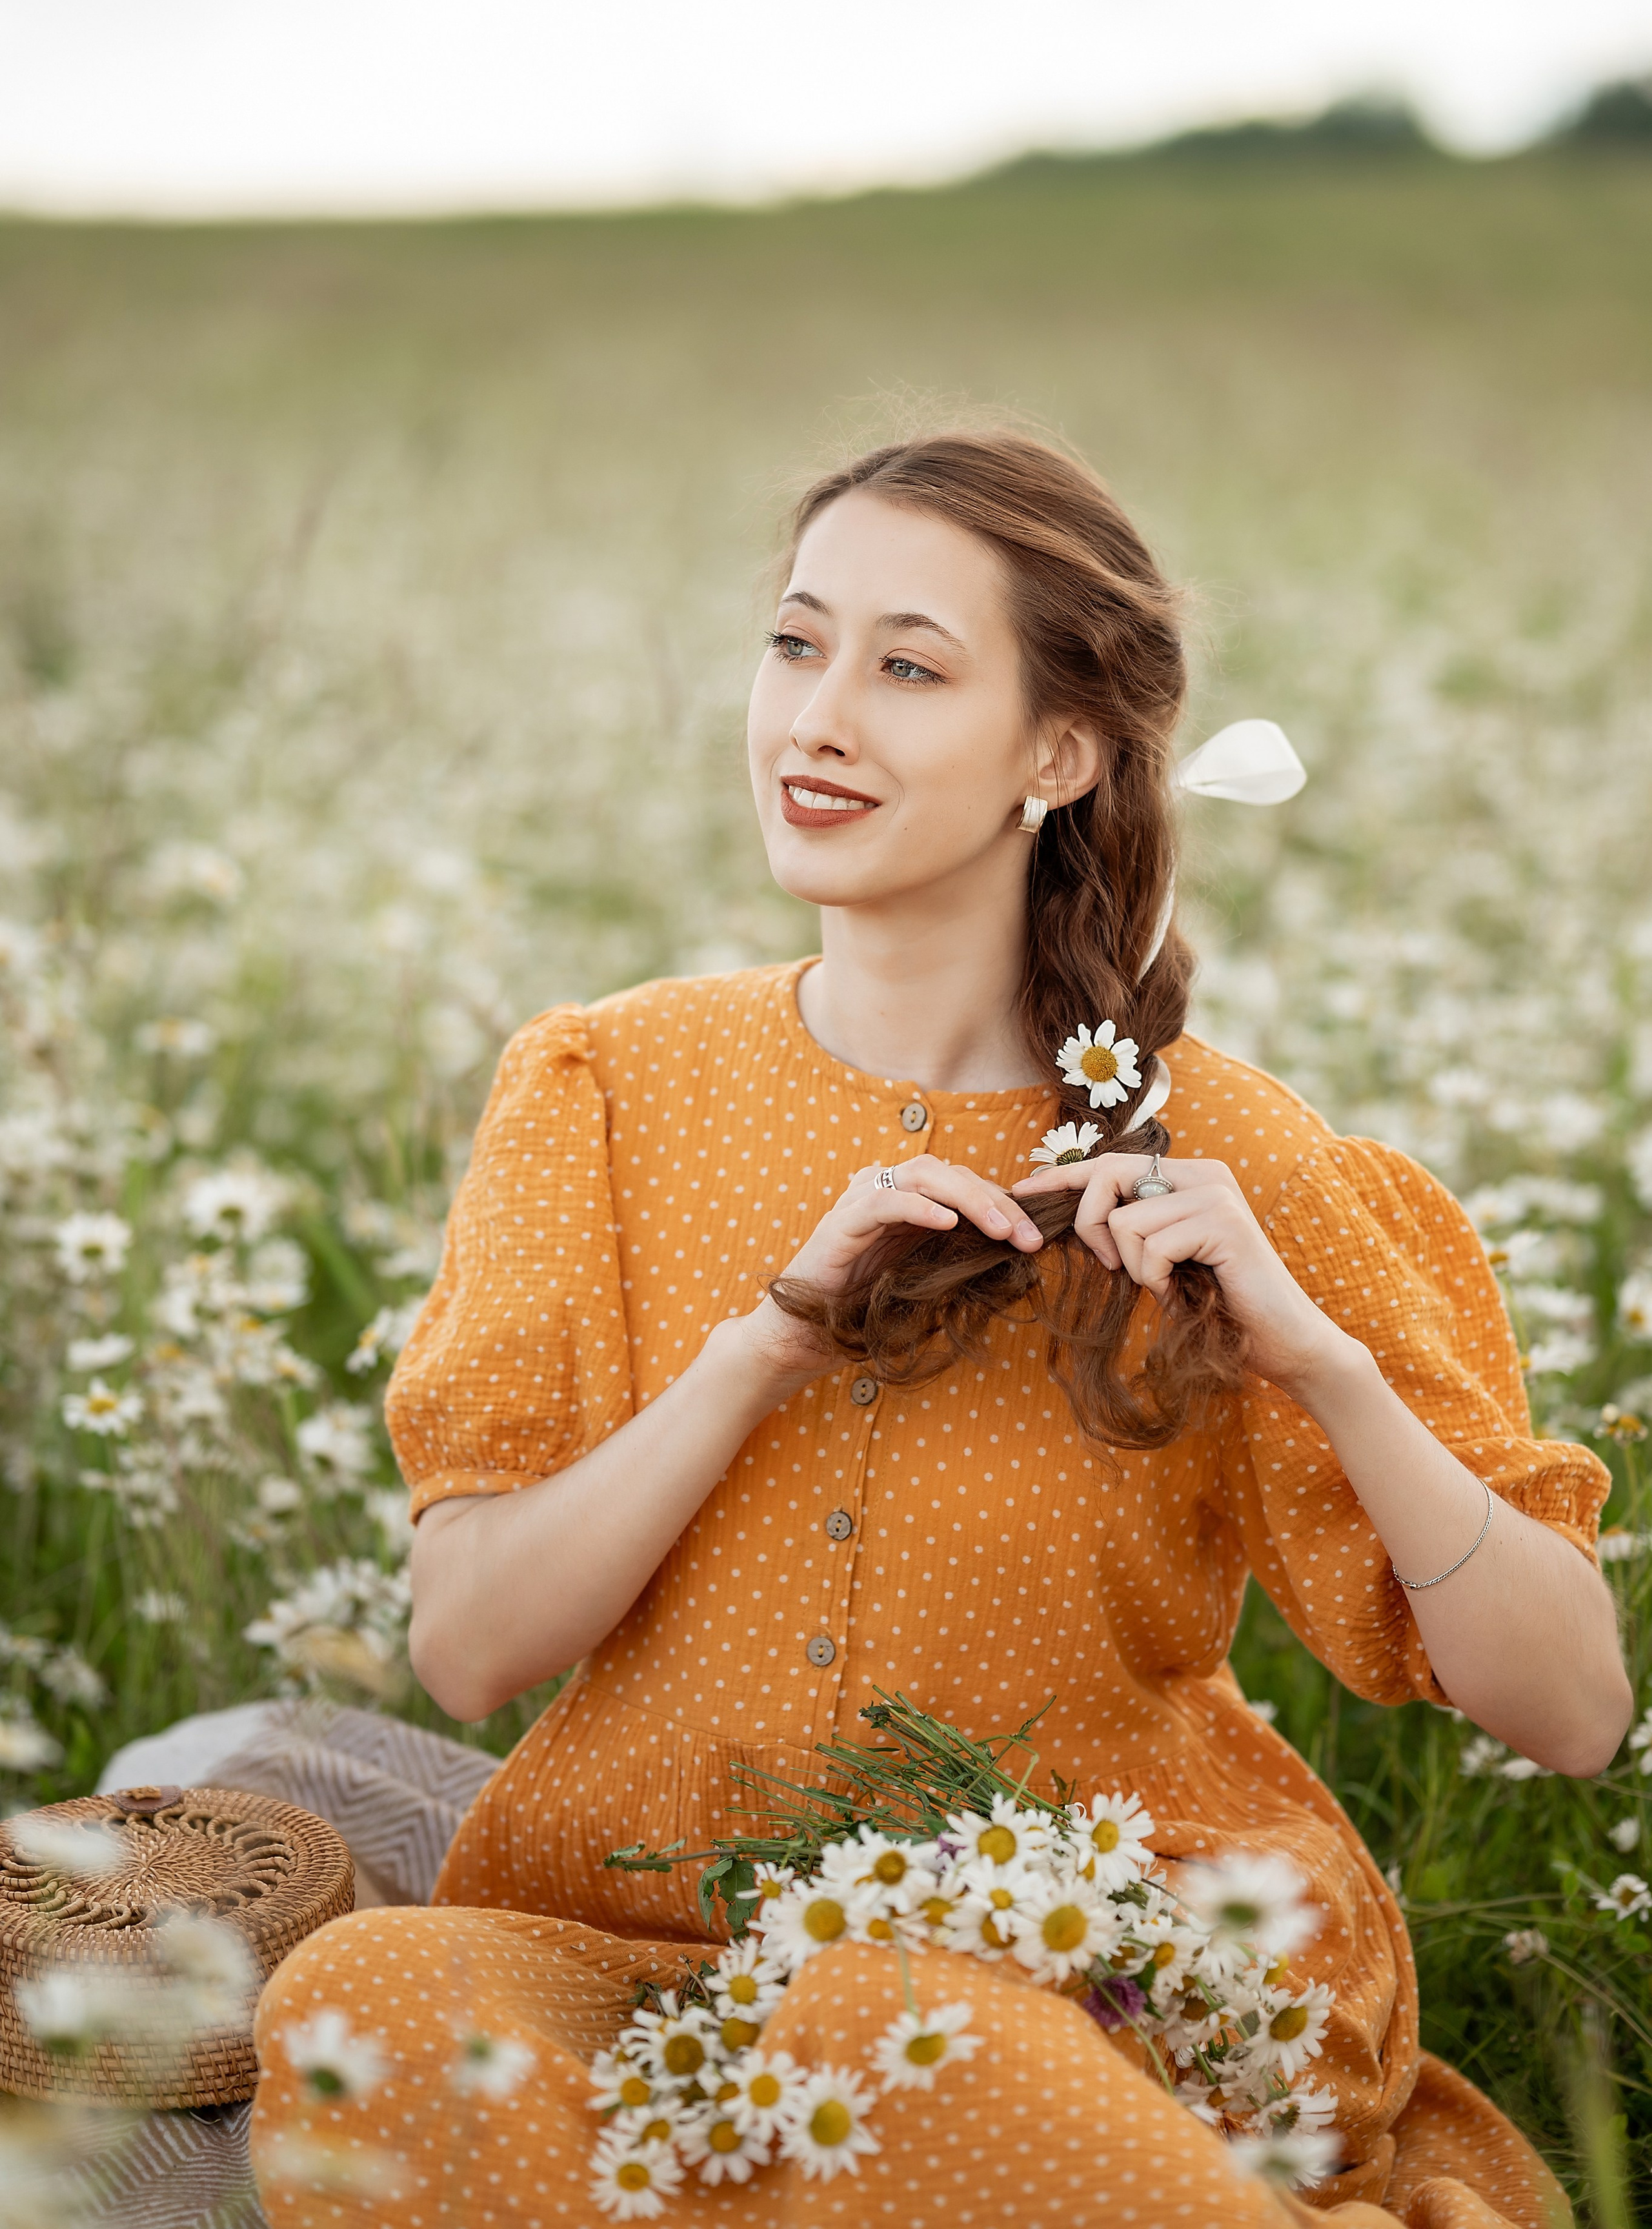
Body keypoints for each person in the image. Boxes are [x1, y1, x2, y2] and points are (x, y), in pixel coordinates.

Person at [250, 429, 1629, 2228]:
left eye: (907, 668)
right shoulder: (605, 1086)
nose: (817, 718)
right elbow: (469, 1652)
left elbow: (1577, 1709)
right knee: (368, 2006)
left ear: (1056, 754)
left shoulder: (1231, 1153)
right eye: (795, 644)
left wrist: (1325, 1365)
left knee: (887, 2031)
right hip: (671, 1962)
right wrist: (764, 1347)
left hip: (1111, 1967)